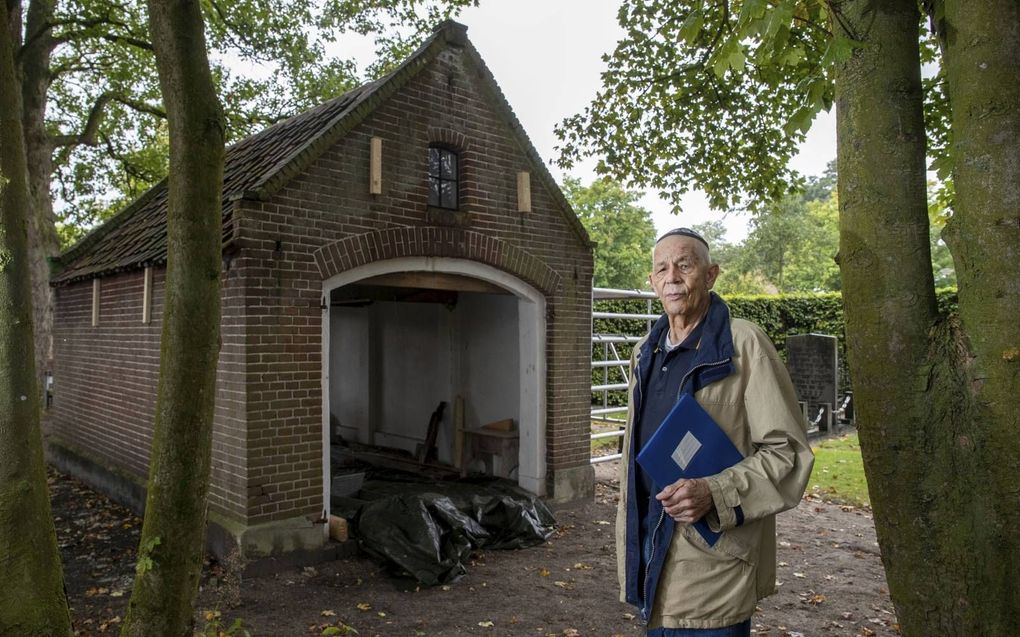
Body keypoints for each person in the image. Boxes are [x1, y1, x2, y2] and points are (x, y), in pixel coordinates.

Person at [616, 227, 814, 636]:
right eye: (662, 268)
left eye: (684, 265)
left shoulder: (745, 345)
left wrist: (714, 492)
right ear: (652, 282)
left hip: (714, 568)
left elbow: (788, 454)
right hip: (649, 561)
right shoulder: (644, 352)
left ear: (710, 275)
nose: (672, 276)